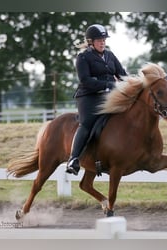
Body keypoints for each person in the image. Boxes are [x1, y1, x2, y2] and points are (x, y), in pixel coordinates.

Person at [66, 24, 127, 175]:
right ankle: (73, 159)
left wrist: (134, 84)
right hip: (88, 96)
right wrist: (109, 85)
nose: (102, 42)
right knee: (86, 123)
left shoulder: (110, 55)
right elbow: (85, 80)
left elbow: (122, 74)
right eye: (99, 40)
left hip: (108, 96)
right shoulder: (83, 57)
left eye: (104, 39)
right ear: (90, 41)